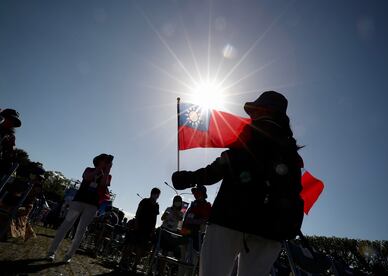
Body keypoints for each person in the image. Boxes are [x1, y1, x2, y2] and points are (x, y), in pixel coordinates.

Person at [172, 91, 304, 276]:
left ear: (264, 110)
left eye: (255, 110)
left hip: (229, 219)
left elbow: (216, 171)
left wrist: (188, 178)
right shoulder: (292, 153)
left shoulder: (248, 137)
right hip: (271, 230)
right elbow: (294, 190)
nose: (252, 115)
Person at [47, 153, 113, 263]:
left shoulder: (108, 175)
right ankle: (51, 252)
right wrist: (98, 169)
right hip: (79, 201)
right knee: (66, 225)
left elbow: (103, 185)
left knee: (81, 230)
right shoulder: (89, 169)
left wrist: (107, 171)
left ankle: (69, 256)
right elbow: (88, 177)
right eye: (104, 161)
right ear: (99, 160)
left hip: (92, 205)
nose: (106, 163)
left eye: (107, 161)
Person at [119, 187, 160, 271]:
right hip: (139, 226)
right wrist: (136, 223)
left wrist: (153, 229)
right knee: (131, 244)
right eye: (156, 194)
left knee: (141, 247)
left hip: (147, 229)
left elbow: (155, 218)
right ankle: (123, 261)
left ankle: (134, 265)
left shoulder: (156, 205)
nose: (157, 196)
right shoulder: (144, 201)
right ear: (152, 193)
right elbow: (138, 212)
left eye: (158, 195)